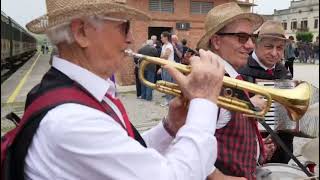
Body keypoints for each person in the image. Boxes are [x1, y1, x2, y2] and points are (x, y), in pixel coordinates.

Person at [18, 0, 237, 179]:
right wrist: (205, 100)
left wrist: (169, 127)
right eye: (124, 27)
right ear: (82, 32)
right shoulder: (72, 119)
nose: (131, 38)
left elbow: (128, 154)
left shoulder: (78, 96)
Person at [197, 2, 265, 179]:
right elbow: (190, 147)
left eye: (252, 37)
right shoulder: (211, 81)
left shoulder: (229, 76)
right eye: (242, 37)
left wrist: (256, 147)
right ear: (217, 41)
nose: (250, 45)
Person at [239, 20, 293, 164]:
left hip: (281, 148)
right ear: (256, 44)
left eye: (280, 48)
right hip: (248, 148)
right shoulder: (241, 69)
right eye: (269, 46)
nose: (275, 53)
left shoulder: (284, 72)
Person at [159, 31, 175, 107]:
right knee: (165, 84)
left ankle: (169, 101)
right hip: (163, 66)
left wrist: (161, 57)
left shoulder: (169, 46)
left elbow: (165, 56)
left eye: (162, 37)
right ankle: (168, 100)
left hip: (168, 67)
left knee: (168, 84)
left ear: (166, 37)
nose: (161, 38)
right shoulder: (164, 46)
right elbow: (162, 56)